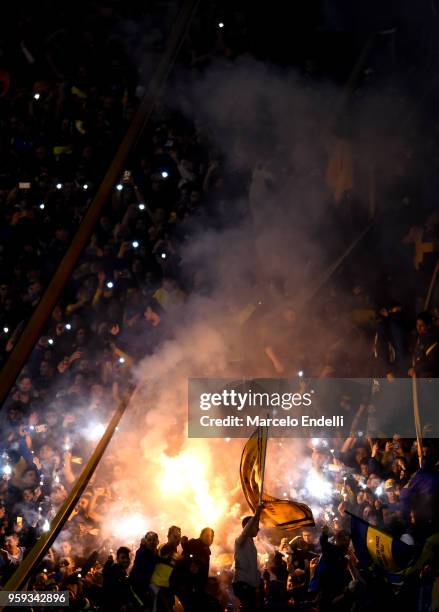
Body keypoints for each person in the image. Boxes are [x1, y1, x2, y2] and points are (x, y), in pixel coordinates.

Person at [233, 503, 264, 611]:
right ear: (248, 526)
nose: (258, 529)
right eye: (256, 525)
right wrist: (257, 514)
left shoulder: (250, 543)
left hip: (249, 585)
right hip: (242, 584)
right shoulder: (240, 540)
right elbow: (246, 531)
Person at [150, 525, 181, 612]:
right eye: (175, 536)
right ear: (168, 536)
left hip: (167, 590)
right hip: (157, 588)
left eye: (179, 537)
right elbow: (165, 551)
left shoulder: (176, 553)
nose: (177, 539)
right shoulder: (163, 547)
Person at [102, 546, 137, 611]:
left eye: (128, 558)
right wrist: (121, 604)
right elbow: (111, 593)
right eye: (123, 557)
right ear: (117, 559)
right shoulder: (113, 571)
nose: (126, 560)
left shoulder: (123, 573)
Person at [130, 531, 159, 609]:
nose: (152, 542)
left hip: (148, 590)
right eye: (149, 540)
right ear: (145, 541)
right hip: (138, 589)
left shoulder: (156, 554)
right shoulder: (141, 552)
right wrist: (142, 546)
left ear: (158, 542)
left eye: (154, 540)